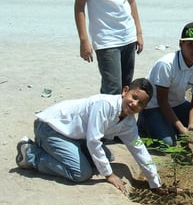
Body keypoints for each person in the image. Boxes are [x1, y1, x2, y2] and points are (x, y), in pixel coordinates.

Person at [15, 78, 168, 195]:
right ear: (125, 91)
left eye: (140, 103)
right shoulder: (104, 105)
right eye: (134, 97)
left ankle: (60, 151)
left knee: (107, 157)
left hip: (74, 135)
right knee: (80, 173)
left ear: (144, 107)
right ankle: (31, 154)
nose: (135, 104)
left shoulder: (128, 123)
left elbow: (138, 148)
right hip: (51, 127)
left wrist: (155, 183)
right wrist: (109, 175)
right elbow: (93, 141)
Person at [138, 22, 193, 148]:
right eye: (191, 44)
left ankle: (168, 127)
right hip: (154, 105)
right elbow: (162, 101)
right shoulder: (167, 64)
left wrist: (192, 124)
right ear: (181, 44)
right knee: (167, 144)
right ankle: (144, 123)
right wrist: (180, 127)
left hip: (177, 104)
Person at [74, 0, 144, 95]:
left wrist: (138, 33)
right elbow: (79, 6)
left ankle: (122, 116)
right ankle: (105, 115)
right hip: (106, 39)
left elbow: (132, 1)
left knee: (126, 87)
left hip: (128, 36)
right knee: (112, 90)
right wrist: (84, 40)